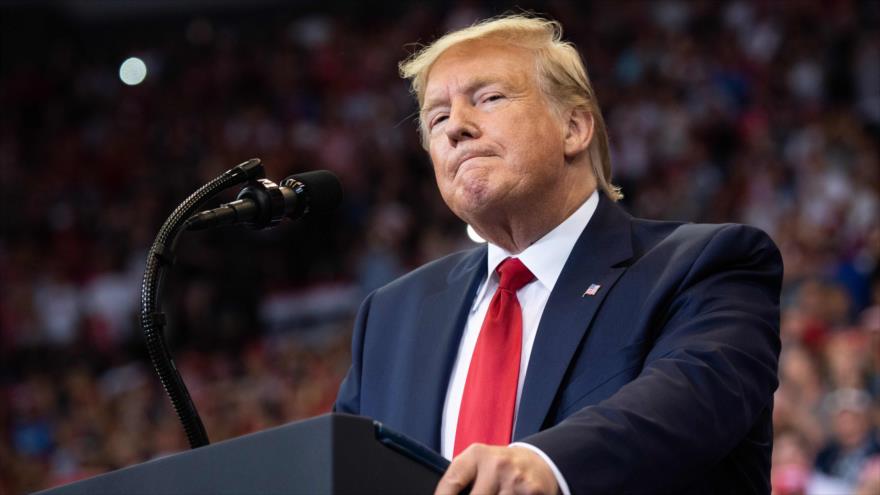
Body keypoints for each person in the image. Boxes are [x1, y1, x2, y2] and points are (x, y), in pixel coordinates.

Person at [335, 14, 783, 494]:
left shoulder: (705, 265)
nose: (455, 129)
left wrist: (545, 465)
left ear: (574, 126)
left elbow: (694, 398)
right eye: (437, 118)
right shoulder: (390, 315)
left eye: (489, 99)